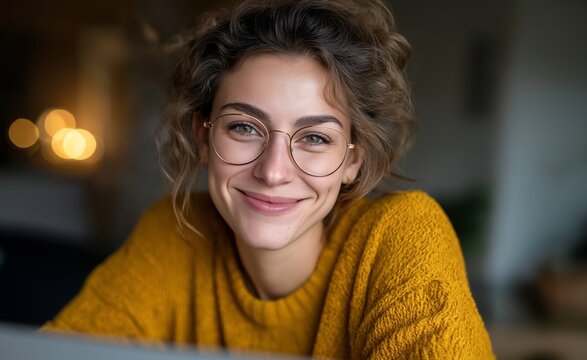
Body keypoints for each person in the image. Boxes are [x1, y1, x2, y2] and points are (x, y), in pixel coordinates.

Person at [42, 0, 495, 358]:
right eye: (244, 127)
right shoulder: (176, 232)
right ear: (203, 137)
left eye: (315, 138)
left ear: (354, 160)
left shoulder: (402, 234)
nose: (273, 171)